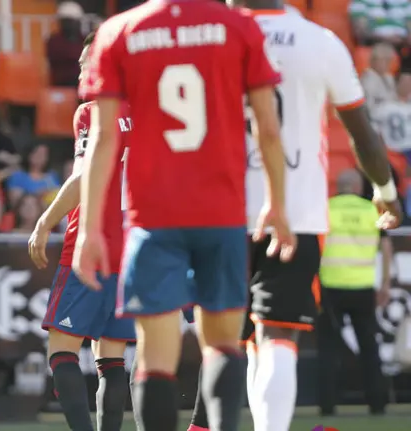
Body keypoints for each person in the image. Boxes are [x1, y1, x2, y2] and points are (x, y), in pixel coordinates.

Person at [75, 2, 295, 430]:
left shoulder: (118, 32)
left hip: (152, 216)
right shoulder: (238, 27)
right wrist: (278, 203)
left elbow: (102, 140)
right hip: (221, 213)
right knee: (222, 347)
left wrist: (88, 230)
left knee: (154, 359)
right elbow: (268, 128)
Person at [187, 2, 404, 431]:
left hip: (220, 212)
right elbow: (361, 132)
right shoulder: (320, 41)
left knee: (231, 342)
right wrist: (386, 191)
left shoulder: (208, 37)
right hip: (295, 212)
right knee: (276, 338)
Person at [30, 30, 136, 431]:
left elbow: (82, 176)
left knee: (61, 351)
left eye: (87, 61)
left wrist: (44, 220)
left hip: (89, 246)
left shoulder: (92, 112)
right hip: (130, 252)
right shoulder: (145, 111)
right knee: (111, 359)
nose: (80, 68)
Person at [317, 169, 390, 416]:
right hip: (362, 288)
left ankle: (327, 406)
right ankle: (378, 404)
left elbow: (314, 245)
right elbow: (386, 244)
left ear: (339, 187)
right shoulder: (371, 210)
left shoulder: (326, 208)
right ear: (358, 187)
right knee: (370, 347)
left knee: (327, 349)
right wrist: (386, 284)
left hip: (330, 287)